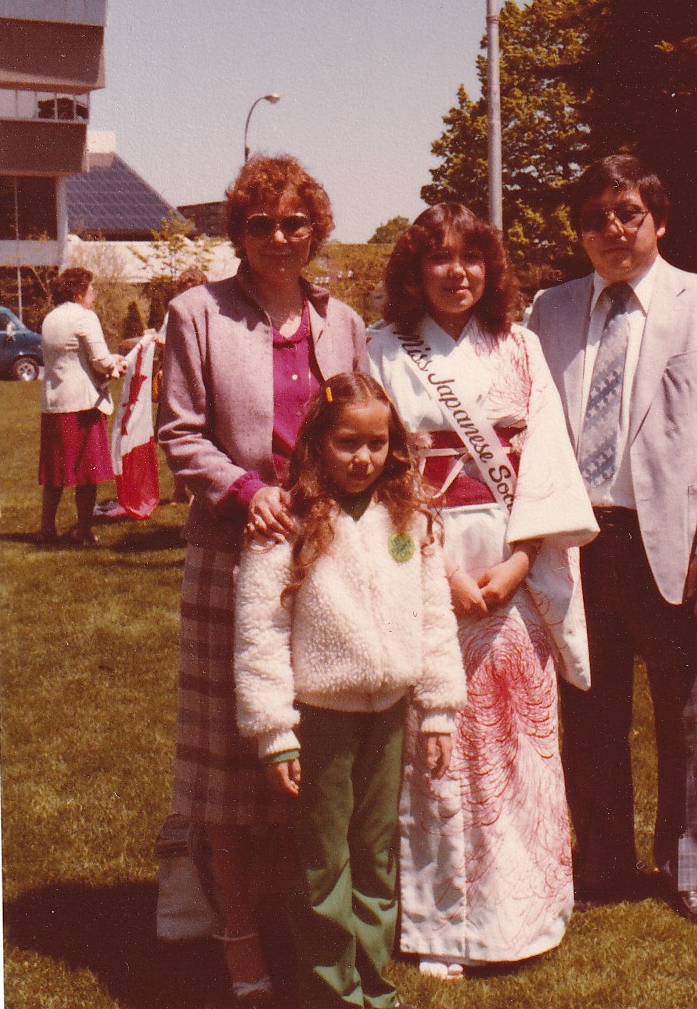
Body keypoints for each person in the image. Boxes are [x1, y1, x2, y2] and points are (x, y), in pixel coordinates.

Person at [528, 155, 697, 925]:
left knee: (687, 717)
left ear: (657, 220)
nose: (612, 230)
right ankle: (600, 861)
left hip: (671, 545)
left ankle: (690, 869)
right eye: (595, 217)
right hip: (576, 541)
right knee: (590, 712)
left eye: (627, 213)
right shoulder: (551, 309)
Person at [157, 154, 367, 1005]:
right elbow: (178, 434)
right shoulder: (195, 313)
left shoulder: (343, 320)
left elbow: (359, 425)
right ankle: (238, 940)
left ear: (315, 229)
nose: (280, 238)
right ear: (237, 232)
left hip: (321, 555)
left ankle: (301, 927)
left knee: (307, 751)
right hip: (231, 550)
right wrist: (246, 492)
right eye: (260, 224)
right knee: (225, 759)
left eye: (294, 223)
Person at [368, 203, 597, 977]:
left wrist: (522, 561)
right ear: (415, 271)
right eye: (440, 258)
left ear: (491, 269)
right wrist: (445, 573)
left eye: (472, 257)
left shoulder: (522, 349)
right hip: (423, 564)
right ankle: (439, 927)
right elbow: (380, 474)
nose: (457, 273)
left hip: (512, 566)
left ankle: (523, 912)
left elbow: (549, 465)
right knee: (435, 741)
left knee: (515, 741)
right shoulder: (383, 353)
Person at [234, 372, 465, 1009]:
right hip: (320, 718)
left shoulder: (408, 515)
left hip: (388, 714)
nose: (363, 458)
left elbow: (434, 612)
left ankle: (373, 983)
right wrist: (275, 732)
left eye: (377, 444)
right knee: (323, 860)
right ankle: (330, 991)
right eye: (346, 443)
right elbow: (261, 630)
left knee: (376, 852)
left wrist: (440, 709)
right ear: (316, 443)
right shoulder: (286, 520)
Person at [37, 266, 126, 545]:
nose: (94, 293)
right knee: (87, 474)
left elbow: (73, 358)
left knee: (55, 474)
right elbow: (100, 360)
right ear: (78, 292)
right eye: (91, 288)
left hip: (54, 404)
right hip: (82, 405)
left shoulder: (50, 318)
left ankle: (46, 529)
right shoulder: (85, 317)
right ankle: (84, 531)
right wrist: (116, 365)